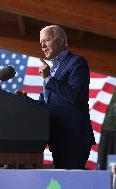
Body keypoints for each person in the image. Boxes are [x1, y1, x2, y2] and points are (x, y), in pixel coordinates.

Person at [38, 25, 95, 169]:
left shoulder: (77, 62)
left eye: (47, 40)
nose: (43, 46)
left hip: (73, 139)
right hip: (58, 138)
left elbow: (75, 96)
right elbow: (45, 103)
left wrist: (49, 79)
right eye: (41, 43)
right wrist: (24, 101)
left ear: (61, 41)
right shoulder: (52, 70)